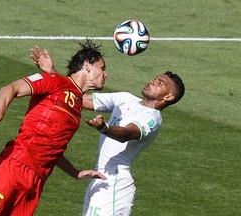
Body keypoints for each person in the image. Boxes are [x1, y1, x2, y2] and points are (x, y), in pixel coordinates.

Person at [33, 48, 185, 215]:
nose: (152, 82)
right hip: (100, 178)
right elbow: (79, 98)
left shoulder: (152, 118)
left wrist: (103, 127)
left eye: (160, 83)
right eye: (155, 78)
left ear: (169, 97)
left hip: (115, 183)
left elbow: (128, 133)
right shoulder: (126, 98)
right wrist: (53, 74)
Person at [0, 39, 108, 216]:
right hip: (15, 165)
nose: (105, 74)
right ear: (87, 66)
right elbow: (11, 88)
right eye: (102, 68)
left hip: (36, 181)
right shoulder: (53, 81)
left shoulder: (77, 104)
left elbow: (52, 148)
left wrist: (75, 172)